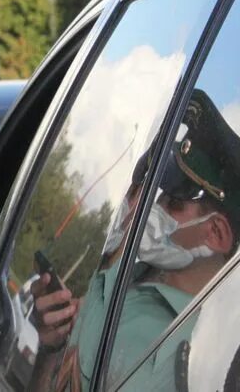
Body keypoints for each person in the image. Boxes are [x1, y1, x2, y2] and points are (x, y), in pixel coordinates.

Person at [31, 89, 240, 390]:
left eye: (174, 204)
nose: (155, 210)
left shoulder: (197, 358)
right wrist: (51, 347)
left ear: (216, 234)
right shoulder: (118, 279)